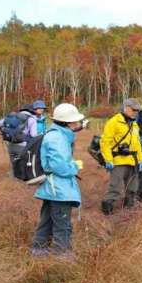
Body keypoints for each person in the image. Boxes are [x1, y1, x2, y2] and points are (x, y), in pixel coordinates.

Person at [31, 103, 86, 261]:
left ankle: (39, 252)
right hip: (58, 189)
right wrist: (74, 166)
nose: (78, 124)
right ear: (68, 123)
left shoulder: (56, 134)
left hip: (52, 187)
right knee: (63, 224)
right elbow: (60, 167)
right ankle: (62, 257)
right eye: (75, 121)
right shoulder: (58, 138)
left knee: (47, 221)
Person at [99, 99, 142, 215]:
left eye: (138, 111)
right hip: (118, 160)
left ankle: (128, 210)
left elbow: (137, 144)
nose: (136, 112)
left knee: (132, 188)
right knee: (115, 187)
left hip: (133, 161)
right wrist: (108, 160)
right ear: (126, 108)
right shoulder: (113, 122)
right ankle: (106, 211)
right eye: (134, 110)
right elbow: (105, 142)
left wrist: (141, 160)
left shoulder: (134, 124)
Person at [0, 104, 39, 171]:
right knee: (23, 164)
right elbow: (33, 135)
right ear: (31, 111)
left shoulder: (13, 117)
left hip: (10, 144)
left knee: (13, 164)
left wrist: (5, 130)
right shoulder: (32, 119)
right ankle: (21, 179)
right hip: (23, 145)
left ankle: (12, 178)